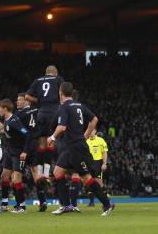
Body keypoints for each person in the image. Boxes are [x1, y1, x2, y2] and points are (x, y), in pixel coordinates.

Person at [47, 82, 115, 216]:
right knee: (57, 172)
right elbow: (94, 119)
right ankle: (66, 205)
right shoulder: (80, 105)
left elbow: (62, 127)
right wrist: (86, 134)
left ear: (61, 93)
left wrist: (52, 138)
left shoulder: (64, 107)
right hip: (73, 146)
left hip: (76, 147)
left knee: (86, 178)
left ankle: (107, 204)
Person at [26, 65, 64, 180]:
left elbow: (27, 96)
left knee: (41, 144)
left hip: (41, 113)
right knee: (51, 142)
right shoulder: (58, 79)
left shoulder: (38, 80)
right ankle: (47, 173)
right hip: (54, 113)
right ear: (55, 73)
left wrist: (39, 101)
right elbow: (63, 95)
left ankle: (40, 171)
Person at [0, 98, 30, 213]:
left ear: (5, 109)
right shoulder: (6, 120)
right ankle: (5, 204)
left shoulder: (14, 121)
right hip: (9, 152)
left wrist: (25, 151)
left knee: (16, 179)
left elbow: (27, 135)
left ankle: (21, 206)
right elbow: (6, 131)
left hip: (18, 153)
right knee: (4, 176)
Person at [86, 130, 108, 207]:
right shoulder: (86, 141)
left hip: (98, 163)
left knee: (99, 181)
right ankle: (91, 202)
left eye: (92, 131)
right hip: (89, 163)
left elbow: (104, 152)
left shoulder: (100, 140)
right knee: (89, 181)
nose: (90, 132)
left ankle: (106, 201)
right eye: (90, 131)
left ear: (95, 131)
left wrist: (104, 163)